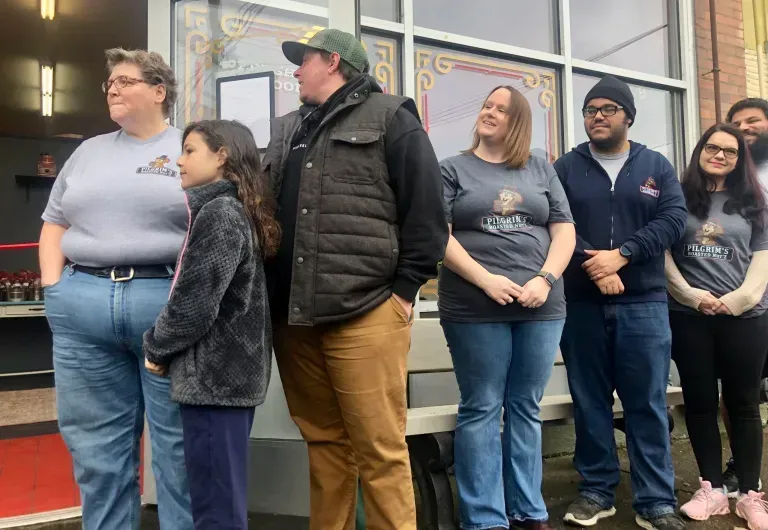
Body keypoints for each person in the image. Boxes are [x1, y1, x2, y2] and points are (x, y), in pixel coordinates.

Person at [262, 29, 448, 529]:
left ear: (334, 60)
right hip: (293, 319)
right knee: (323, 443)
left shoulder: (391, 118)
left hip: (366, 312)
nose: (297, 70)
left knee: (381, 450)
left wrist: (405, 292)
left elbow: (428, 215)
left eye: (304, 60)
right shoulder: (285, 130)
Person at [39, 49, 192, 529]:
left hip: (165, 306)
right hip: (81, 306)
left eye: (125, 81)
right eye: (109, 84)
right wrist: (53, 291)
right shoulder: (88, 151)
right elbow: (54, 223)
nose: (113, 89)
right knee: (95, 450)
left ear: (159, 91)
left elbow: (214, 226)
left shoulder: (190, 147)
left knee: (178, 449)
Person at [553, 75, 688, 530]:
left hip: (645, 304)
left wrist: (622, 256)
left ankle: (655, 502)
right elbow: (555, 223)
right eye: (591, 109)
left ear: (628, 116)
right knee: (589, 400)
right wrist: (597, 266)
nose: (597, 116)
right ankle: (596, 492)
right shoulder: (565, 168)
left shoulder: (656, 165)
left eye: (608, 108)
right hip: (582, 306)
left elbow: (674, 219)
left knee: (646, 403)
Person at [439, 85, 576, 530]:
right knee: (481, 406)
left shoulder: (540, 167)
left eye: (501, 109)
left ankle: (528, 510)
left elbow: (565, 232)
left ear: (517, 122)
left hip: (542, 305)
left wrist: (545, 278)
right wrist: (485, 280)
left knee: (525, 406)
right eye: (486, 105)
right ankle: (484, 518)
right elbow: (437, 234)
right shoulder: (452, 169)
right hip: (475, 306)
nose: (489, 112)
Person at [142, 120, 279, 529]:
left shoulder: (219, 212)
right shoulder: (233, 209)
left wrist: (156, 347)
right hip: (226, 382)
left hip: (214, 382)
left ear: (221, 157)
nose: (179, 162)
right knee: (220, 498)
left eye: (189, 151)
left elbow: (194, 304)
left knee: (216, 507)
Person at [664, 124, 768, 527]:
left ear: (740, 159)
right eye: (712, 147)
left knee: (743, 405)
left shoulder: (754, 204)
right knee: (701, 404)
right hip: (690, 318)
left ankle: (750, 493)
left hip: (744, 319)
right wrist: (692, 296)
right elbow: (664, 256)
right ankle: (711, 490)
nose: (719, 155)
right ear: (700, 151)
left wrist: (736, 301)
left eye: (730, 151)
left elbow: (762, 262)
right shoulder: (678, 198)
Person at [723, 98, 768, 497]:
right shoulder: (730, 182)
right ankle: (739, 466)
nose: (744, 127)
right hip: (745, 300)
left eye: (752, 121)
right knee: (740, 391)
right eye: (735, 123)